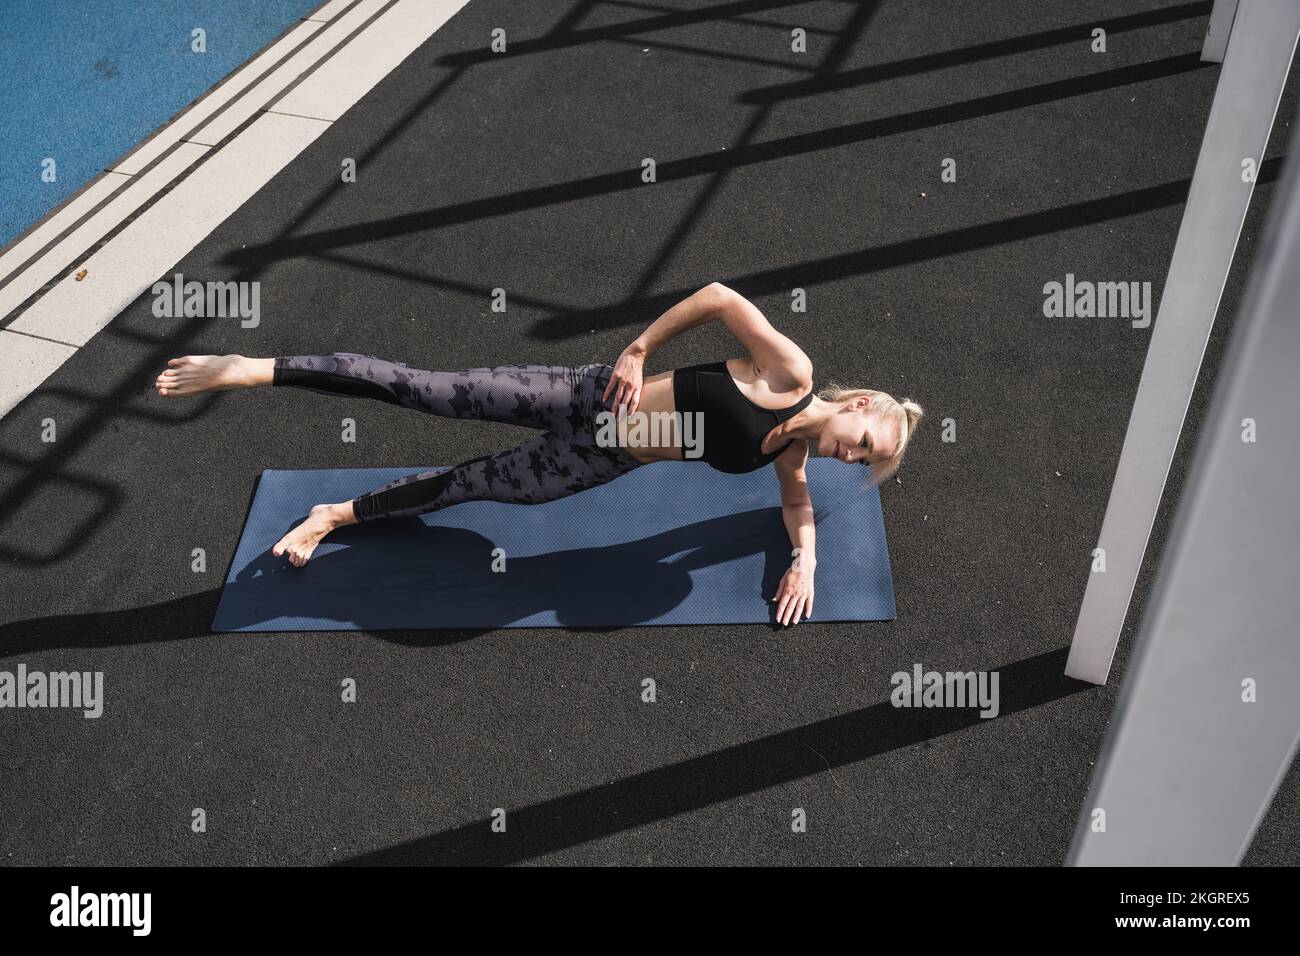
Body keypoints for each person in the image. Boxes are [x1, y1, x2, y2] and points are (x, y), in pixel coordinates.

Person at [154, 282, 921, 625]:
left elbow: (794, 506)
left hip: (597, 463)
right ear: (856, 408)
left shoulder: (787, 455)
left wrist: (805, 561)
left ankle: (335, 516)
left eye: (862, 463)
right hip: (582, 398)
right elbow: (719, 297)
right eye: (863, 445)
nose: (851, 458)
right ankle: (255, 368)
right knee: (424, 390)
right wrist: (638, 348)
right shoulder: (791, 376)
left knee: (467, 489)